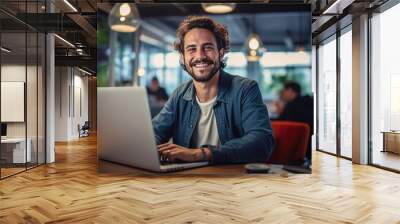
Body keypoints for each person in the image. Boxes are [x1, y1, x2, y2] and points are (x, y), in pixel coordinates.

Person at [152, 15, 274, 164]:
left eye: (208, 47)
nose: (200, 56)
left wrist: (202, 154)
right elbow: (154, 133)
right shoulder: (179, 94)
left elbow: (262, 141)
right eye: (191, 49)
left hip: (233, 182)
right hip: (186, 181)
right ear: (183, 57)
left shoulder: (245, 89)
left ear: (220, 53)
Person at [276, 81, 313, 165]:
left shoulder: (291, 106)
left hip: (294, 149)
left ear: (290, 90)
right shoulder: (309, 100)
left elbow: (280, 123)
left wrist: (280, 111)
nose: (283, 94)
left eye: (284, 91)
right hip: (311, 146)